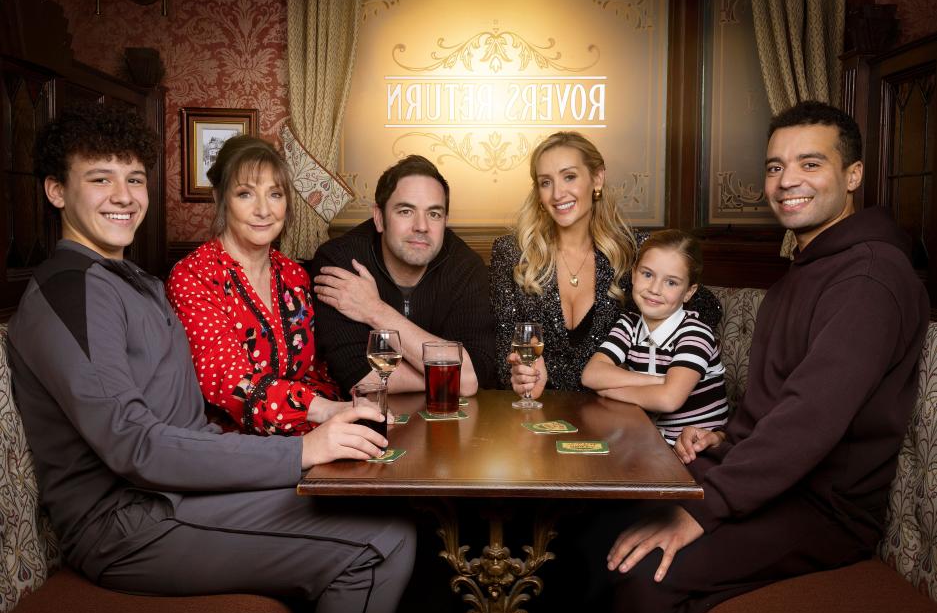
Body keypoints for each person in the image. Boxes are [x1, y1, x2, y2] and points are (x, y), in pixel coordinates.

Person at [7, 103, 414, 613]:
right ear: (56, 191)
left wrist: (318, 437)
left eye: (134, 178)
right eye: (99, 179)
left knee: (379, 509)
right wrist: (301, 450)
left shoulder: (132, 280)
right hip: (125, 524)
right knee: (382, 543)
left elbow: (183, 423)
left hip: (174, 495)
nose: (123, 196)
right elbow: (135, 443)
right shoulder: (73, 290)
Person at [596, 101, 929, 613]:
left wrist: (702, 513)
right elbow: (782, 403)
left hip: (822, 512)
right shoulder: (807, 267)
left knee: (642, 572)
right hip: (765, 482)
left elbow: (809, 418)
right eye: (775, 167)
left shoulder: (868, 279)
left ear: (854, 174)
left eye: (810, 163)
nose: (787, 180)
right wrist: (724, 436)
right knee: (596, 523)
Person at [489, 131, 721, 396]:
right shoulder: (512, 252)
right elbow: (503, 358)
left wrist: (661, 373)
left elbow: (708, 307)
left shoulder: (635, 251)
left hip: (620, 414)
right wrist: (521, 375)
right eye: (545, 182)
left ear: (597, 178)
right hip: (539, 413)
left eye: (569, 177)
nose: (557, 193)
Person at [167, 135, 348, 436]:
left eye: (275, 194)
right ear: (219, 197)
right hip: (240, 449)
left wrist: (355, 403)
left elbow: (317, 370)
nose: (264, 210)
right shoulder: (193, 276)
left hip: (314, 432)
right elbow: (228, 379)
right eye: (246, 194)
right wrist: (325, 411)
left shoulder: (294, 275)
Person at [307, 155, 496, 395]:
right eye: (406, 211)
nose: (422, 226)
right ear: (379, 218)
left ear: (445, 221)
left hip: (450, 421)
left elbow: (477, 373)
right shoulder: (341, 261)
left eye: (434, 214)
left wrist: (375, 310)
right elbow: (357, 377)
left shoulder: (465, 267)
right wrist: (451, 378)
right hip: (370, 422)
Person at [581, 229, 729, 445]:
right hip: (646, 446)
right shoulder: (629, 324)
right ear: (633, 275)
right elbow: (591, 376)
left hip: (694, 451)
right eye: (647, 274)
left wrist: (608, 390)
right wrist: (659, 381)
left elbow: (669, 400)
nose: (654, 289)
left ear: (689, 292)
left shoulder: (696, 334)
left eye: (671, 282)